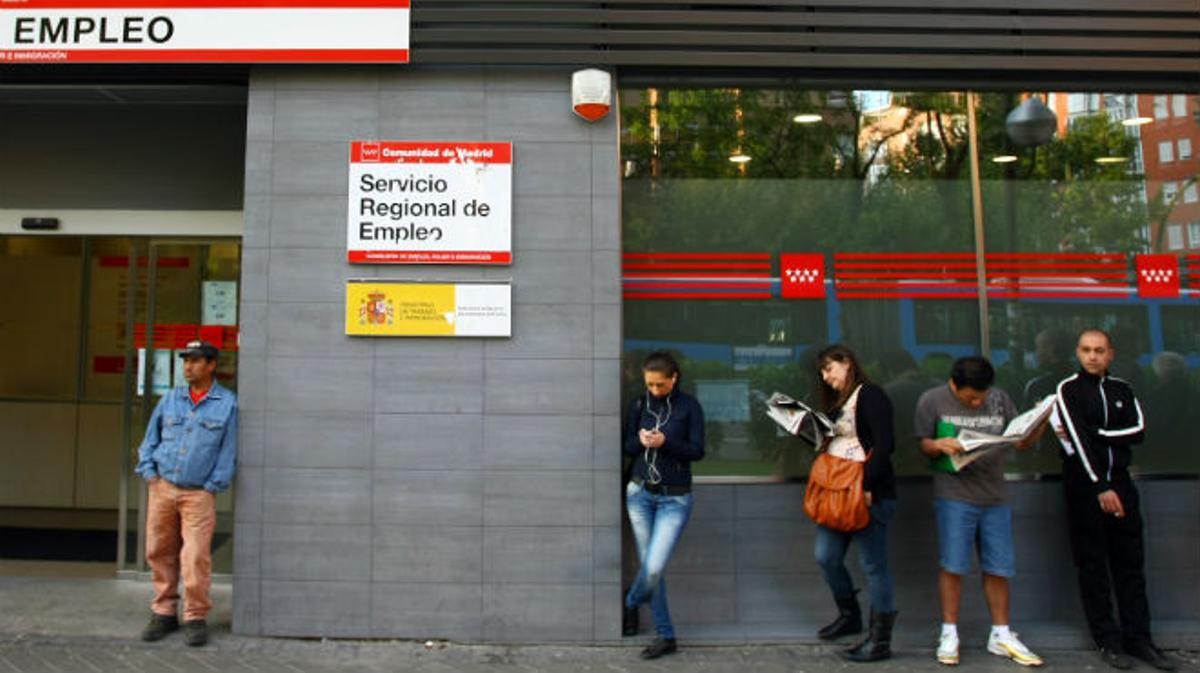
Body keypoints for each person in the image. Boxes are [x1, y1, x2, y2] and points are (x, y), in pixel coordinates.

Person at [1054, 329, 1176, 671]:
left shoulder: (1123, 389)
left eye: (1099, 350)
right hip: (1086, 488)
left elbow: (1138, 430)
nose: (1092, 356)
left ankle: (1140, 640)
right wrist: (1099, 487)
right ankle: (1107, 640)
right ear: (1077, 353)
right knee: (1092, 566)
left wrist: (1100, 434)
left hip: (1122, 485)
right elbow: (1078, 442)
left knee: (1130, 565)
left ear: (1111, 355)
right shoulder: (1069, 389)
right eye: (1086, 350)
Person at [914, 356, 1046, 667]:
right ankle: (949, 632)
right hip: (954, 493)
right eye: (971, 397)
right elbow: (921, 444)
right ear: (953, 384)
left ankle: (1001, 632)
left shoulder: (999, 399)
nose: (978, 401)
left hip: (995, 494)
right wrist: (938, 445)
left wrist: (1040, 421)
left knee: (999, 566)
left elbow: (1020, 442)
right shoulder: (931, 400)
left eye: (982, 395)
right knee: (953, 564)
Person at [135, 340, 238, 647]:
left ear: (211, 365)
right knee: (159, 551)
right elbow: (149, 439)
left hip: (198, 494)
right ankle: (164, 611)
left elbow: (228, 452)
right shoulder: (170, 400)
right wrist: (150, 475)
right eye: (185, 361)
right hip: (163, 488)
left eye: (195, 361)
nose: (188, 367)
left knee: (195, 558)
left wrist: (211, 487)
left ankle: (195, 616)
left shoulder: (227, 404)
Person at [810, 344, 899, 663]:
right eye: (822, 371)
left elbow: (885, 444)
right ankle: (850, 615)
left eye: (830, 368)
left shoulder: (870, 395)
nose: (826, 376)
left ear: (847, 363)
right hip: (836, 489)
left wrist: (869, 485)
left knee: (875, 565)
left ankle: (880, 639)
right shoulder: (838, 402)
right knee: (826, 556)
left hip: (865, 490)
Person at [621, 351, 705, 659]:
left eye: (660, 384)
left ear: (674, 379)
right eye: (649, 384)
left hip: (675, 498)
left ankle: (631, 600)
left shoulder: (689, 406)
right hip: (640, 493)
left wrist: (665, 443)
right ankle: (666, 635)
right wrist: (640, 441)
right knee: (650, 567)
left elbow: (698, 451)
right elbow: (626, 445)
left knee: (654, 568)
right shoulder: (639, 404)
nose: (654, 390)